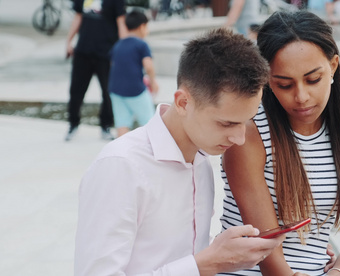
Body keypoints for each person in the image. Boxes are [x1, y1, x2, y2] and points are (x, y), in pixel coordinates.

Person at [74, 28, 285, 275]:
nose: (239, 139)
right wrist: (208, 263)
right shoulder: (121, 166)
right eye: (227, 123)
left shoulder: (200, 160)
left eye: (246, 121)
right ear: (183, 102)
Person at [218, 11, 340, 275]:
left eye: (313, 80)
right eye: (285, 85)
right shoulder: (249, 134)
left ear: (333, 66)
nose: (301, 96)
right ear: (268, 80)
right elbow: (266, 248)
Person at [65, 0, 127, 142]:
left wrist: (123, 51)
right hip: (83, 52)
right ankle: (73, 124)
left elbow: (121, 23)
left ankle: (106, 126)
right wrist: (69, 41)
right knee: (76, 91)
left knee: (108, 93)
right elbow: (78, 17)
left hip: (106, 54)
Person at [108, 10, 159, 138]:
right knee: (150, 121)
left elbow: (112, 65)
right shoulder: (142, 45)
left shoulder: (118, 45)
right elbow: (149, 67)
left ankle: (121, 151)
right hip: (135, 90)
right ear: (142, 27)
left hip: (115, 89)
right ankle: (152, 151)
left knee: (122, 123)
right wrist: (153, 82)